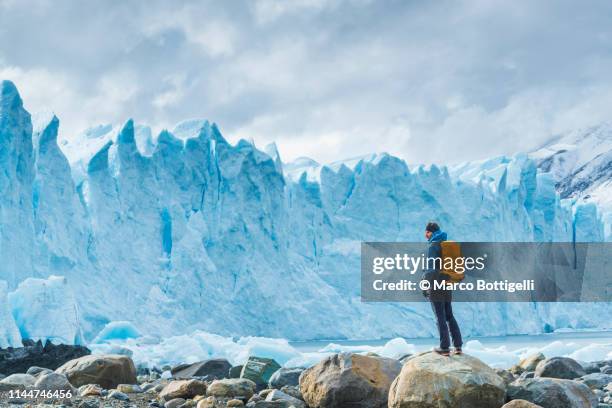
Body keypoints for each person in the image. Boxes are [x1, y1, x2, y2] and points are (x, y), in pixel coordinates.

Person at [422, 222, 463, 356]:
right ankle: (458, 346)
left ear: (430, 232)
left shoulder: (433, 245)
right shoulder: (446, 245)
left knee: (439, 315)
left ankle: (444, 347)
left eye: (426, 232)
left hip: (436, 284)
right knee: (449, 315)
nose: (425, 235)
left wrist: (425, 284)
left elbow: (431, 268)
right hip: (447, 282)